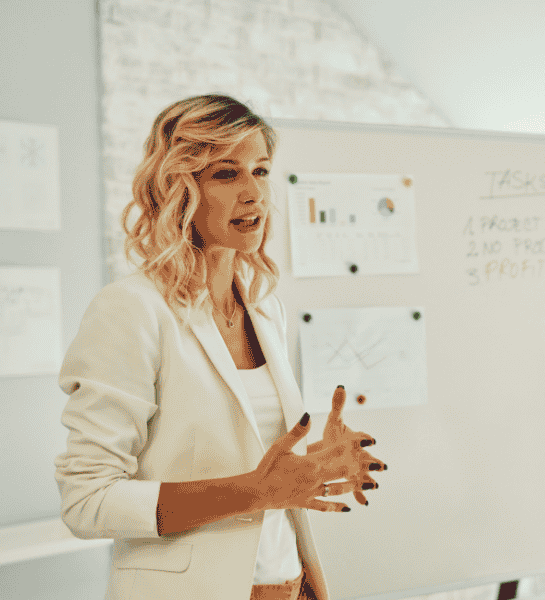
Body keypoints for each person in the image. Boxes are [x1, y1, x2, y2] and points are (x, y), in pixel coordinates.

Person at [53, 94, 385, 600]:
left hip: (291, 586)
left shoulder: (265, 307)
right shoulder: (131, 310)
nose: (254, 193)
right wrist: (255, 491)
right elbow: (87, 501)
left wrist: (316, 464)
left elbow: (255, 461)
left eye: (262, 170)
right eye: (226, 174)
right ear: (180, 188)